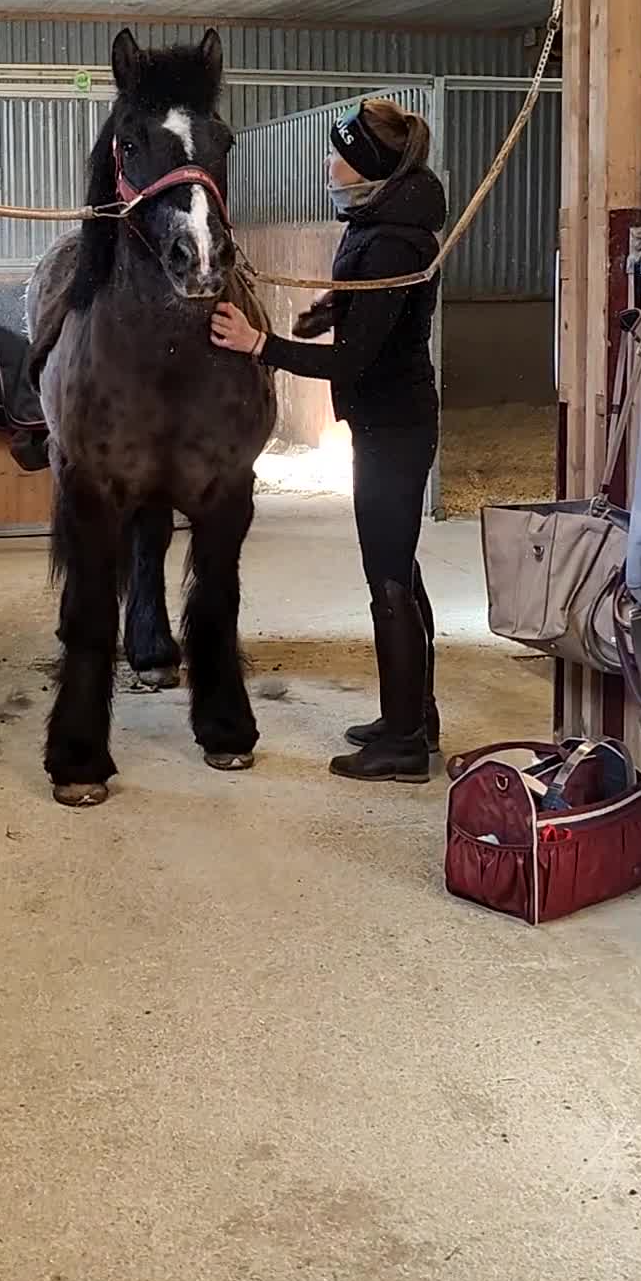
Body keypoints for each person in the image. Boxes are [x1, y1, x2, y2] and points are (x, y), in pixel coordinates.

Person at [211, 98, 446, 784]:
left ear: (367, 167)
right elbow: (369, 310)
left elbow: (355, 362)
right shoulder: (377, 223)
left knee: (389, 581)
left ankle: (403, 745)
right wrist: (331, 311)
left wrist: (262, 345)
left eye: (338, 153)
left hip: (394, 426)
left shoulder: (394, 240)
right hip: (385, 421)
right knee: (401, 567)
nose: (327, 163)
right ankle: (413, 715)